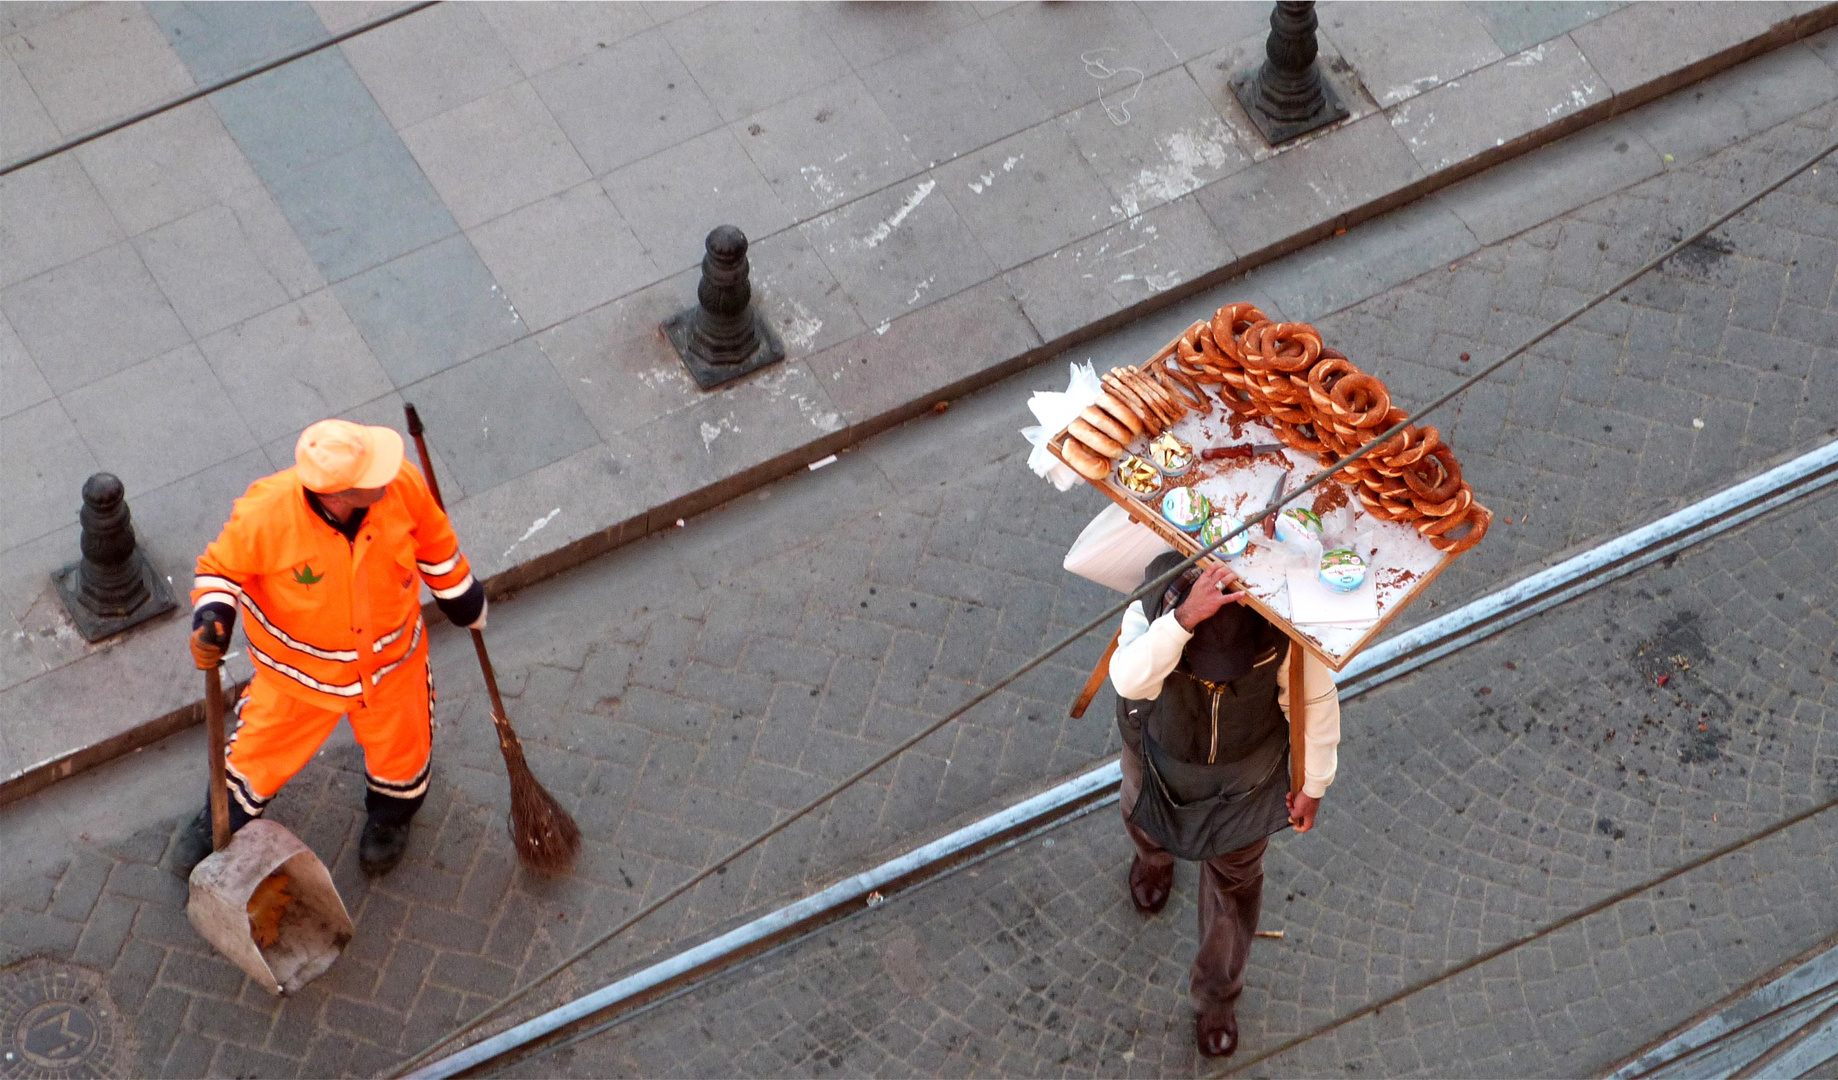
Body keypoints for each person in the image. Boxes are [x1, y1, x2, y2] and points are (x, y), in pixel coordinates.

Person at [175, 419, 485, 876]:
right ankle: (220, 820)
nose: (389, 473)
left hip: (392, 667)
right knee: (256, 756)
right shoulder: (268, 511)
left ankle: (390, 819)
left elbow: (434, 541)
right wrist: (213, 618)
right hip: (297, 679)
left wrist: (460, 595)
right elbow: (220, 572)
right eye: (373, 476)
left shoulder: (400, 482)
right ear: (339, 494)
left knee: (403, 751)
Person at [1109, 552, 1341, 1058]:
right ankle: (1154, 857)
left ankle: (1217, 997)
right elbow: (1129, 680)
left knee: (1234, 891)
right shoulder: (1154, 602)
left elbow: (1315, 702)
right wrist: (1183, 623)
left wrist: (1314, 784)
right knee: (1141, 815)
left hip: (1247, 775)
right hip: (1159, 752)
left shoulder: (1284, 626)